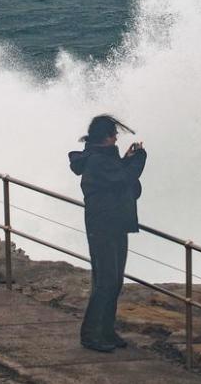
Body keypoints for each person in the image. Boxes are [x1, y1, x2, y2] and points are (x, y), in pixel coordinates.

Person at [68, 114, 147, 352]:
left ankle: (106, 331)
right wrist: (139, 159)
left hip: (115, 224)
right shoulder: (96, 161)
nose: (116, 139)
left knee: (114, 281)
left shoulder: (103, 158)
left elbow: (118, 176)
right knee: (105, 282)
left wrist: (127, 159)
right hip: (103, 226)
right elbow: (123, 178)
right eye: (114, 135)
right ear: (105, 138)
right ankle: (90, 335)